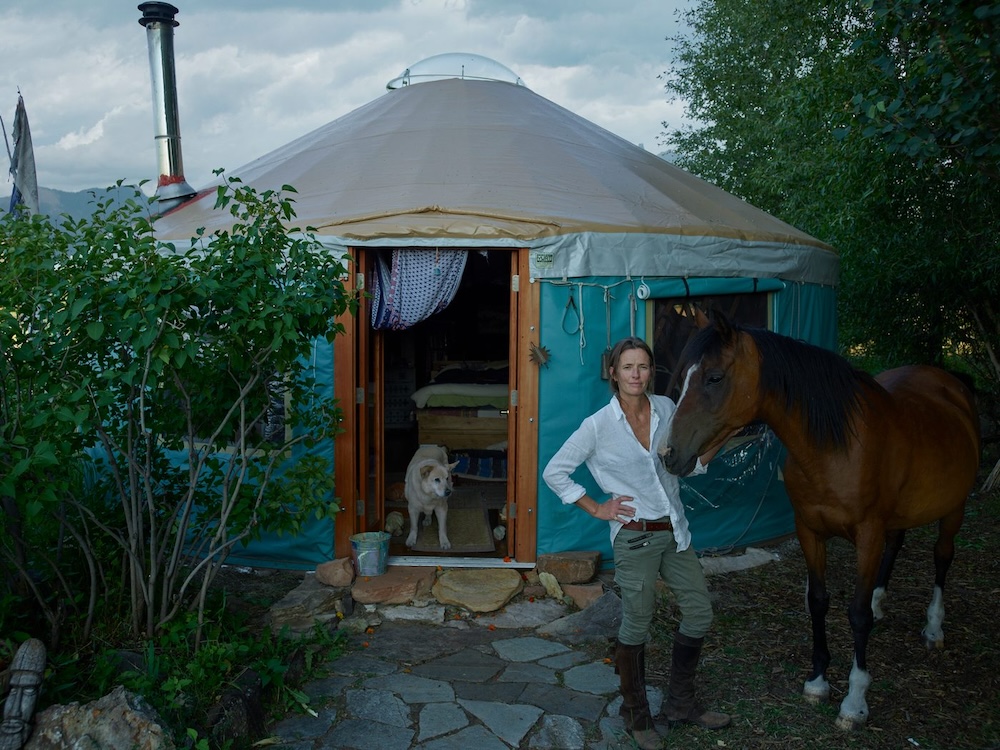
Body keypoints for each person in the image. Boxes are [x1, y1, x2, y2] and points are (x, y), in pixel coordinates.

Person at [543, 336, 731, 749]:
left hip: (675, 531)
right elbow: (554, 472)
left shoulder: (666, 408)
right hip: (636, 538)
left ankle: (681, 705)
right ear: (613, 372)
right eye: (627, 367)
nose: (636, 374)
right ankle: (636, 714)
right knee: (638, 622)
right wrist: (597, 507)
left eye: (643, 366)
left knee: (699, 612)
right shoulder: (597, 425)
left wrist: (717, 447)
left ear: (651, 372)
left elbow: (681, 466)